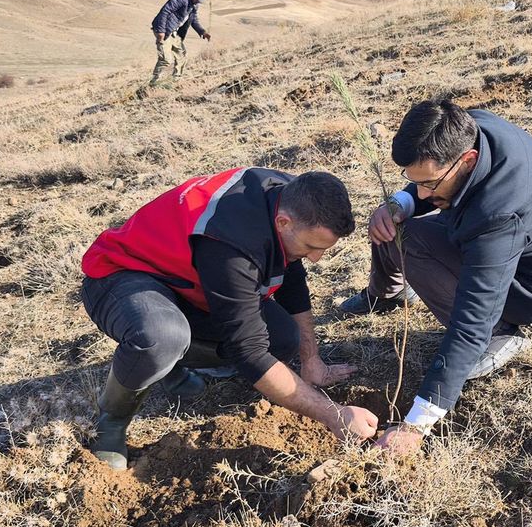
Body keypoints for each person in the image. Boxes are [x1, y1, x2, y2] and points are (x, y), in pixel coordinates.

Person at [81, 167, 378, 469]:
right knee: (162, 337)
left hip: (191, 281)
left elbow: (291, 278)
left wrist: (311, 359)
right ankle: (112, 422)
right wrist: (333, 414)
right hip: (122, 277)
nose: (317, 258)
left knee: (283, 339)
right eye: (311, 247)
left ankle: (169, 362)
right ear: (283, 222)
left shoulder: (295, 196)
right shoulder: (232, 243)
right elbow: (248, 352)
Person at [338, 100, 532, 456]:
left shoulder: (498, 217)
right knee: (394, 224)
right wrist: (399, 203)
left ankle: (501, 334)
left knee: (417, 248)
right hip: (493, 237)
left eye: (430, 183)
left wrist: (415, 425)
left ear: (466, 160)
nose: (421, 193)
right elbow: (423, 192)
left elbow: (471, 320)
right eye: (414, 181)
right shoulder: (470, 126)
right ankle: (386, 294)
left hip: (529, 290)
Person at [149, 0, 211, 86]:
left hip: (175, 33)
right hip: (165, 30)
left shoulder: (194, 5)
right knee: (166, 60)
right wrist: (160, 31)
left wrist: (202, 32)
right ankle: (153, 83)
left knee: (182, 56)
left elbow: (193, 20)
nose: (198, 1)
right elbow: (165, 12)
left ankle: (175, 81)